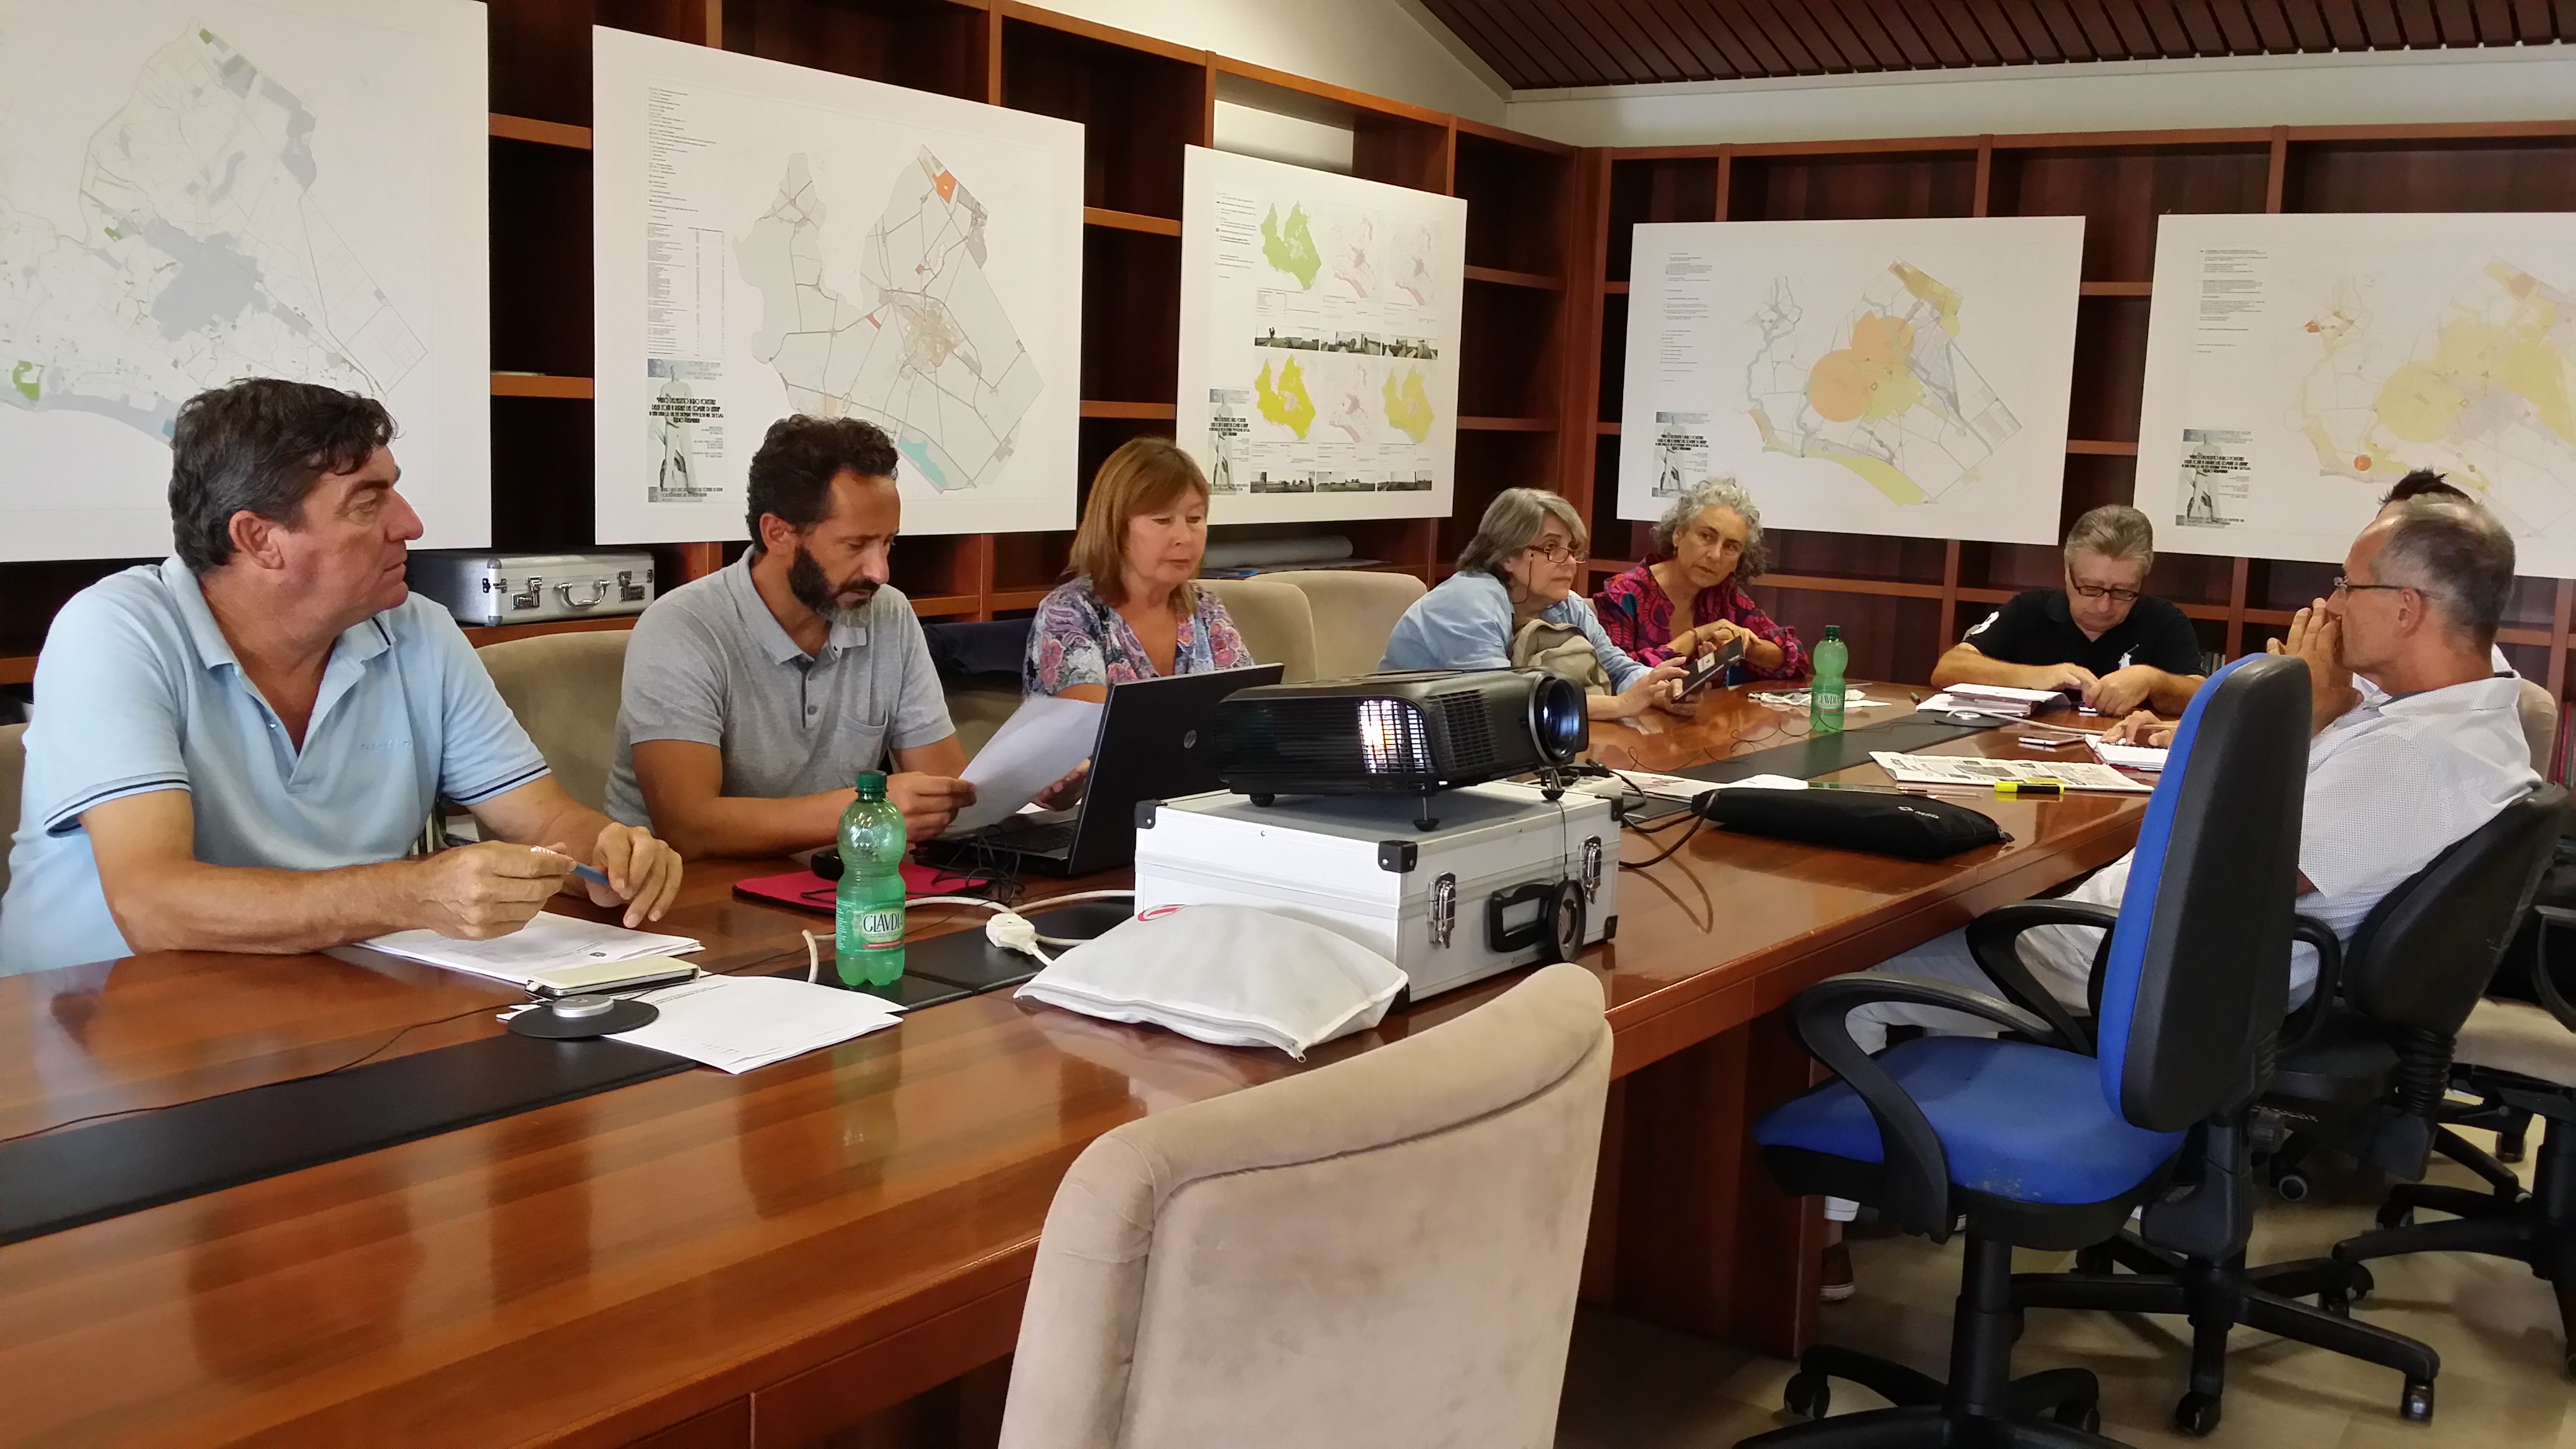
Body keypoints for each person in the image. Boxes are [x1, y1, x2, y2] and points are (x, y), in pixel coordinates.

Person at [1818, 497, 2539, 1299]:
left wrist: (2304, 713)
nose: (2329, 606)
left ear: (2405, 608)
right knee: (1963, 911)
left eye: (2347, 585)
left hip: (2146, 964)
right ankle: (1919, 1171)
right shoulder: (2469, 717)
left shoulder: (2412, 756)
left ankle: (1814, 1243)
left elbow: (2223, 866)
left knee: (1847, 970)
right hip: (2209, 962)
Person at [0, 380, 683, 977]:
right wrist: (410, 893)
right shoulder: (114, 632)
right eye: (367, 502)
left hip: (319, 990)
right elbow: (153, 905)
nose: (410, 524)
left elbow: (546, 820)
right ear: (259, 539)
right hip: (95, 1013)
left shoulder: (420, 630)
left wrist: (608, 853)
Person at [610, 416, 975, 856]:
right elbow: (689, 826)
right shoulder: (682, 627)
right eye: (856, 545)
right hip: (692, 886)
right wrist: (867, 808)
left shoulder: (888, 613)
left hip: (832, 877)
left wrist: (1024, 786)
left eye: (888, 543)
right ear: (778, 534)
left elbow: (945, 788)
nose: (880, 571)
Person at [1380, 488, 1689, 721]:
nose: (1570, 562)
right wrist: (1619, 705)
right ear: (1506, 555)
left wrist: (1659, 692)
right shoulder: (1466, 601)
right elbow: (1506, 699)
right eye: (1551, 547)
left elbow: (1618, 669)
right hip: (1408, 746)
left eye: (1572, 549)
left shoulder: (1566, 605)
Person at [1024, 437, 1253, 703]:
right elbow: (1095, 722)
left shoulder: (1206, 607)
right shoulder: (1070, 612)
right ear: (1115, 528)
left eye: (1194, 519)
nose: (1185, 537)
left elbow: (1247, 706)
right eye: (1162, 520)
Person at [1931, 504, 2205, 718]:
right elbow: (1949, 669)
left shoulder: (2165, 621)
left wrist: (2154, 680)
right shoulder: (2030, 609)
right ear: (2067, 574)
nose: (2104, 606)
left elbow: (2205, 697)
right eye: (2090, 588)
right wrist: (2037, 676)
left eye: (2123, 592)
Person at [1593, 476, 1808, 679]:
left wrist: (1743, 646)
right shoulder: (1624, 593)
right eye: (1706, 536)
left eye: (1731, 547)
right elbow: (1617, 676)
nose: (1715, 555)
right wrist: (1697, 636)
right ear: (1678, 535)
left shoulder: (1724, 595)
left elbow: (1796, 659)